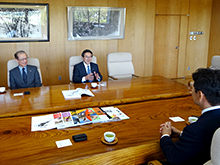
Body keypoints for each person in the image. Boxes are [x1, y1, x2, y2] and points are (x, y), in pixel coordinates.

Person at [159, 68, 220, 165]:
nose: (191, 91)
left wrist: (165, 135)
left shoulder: (195, 130)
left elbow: (173, 157)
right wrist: (182, 134)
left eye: (192, 88)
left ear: (200, 95)